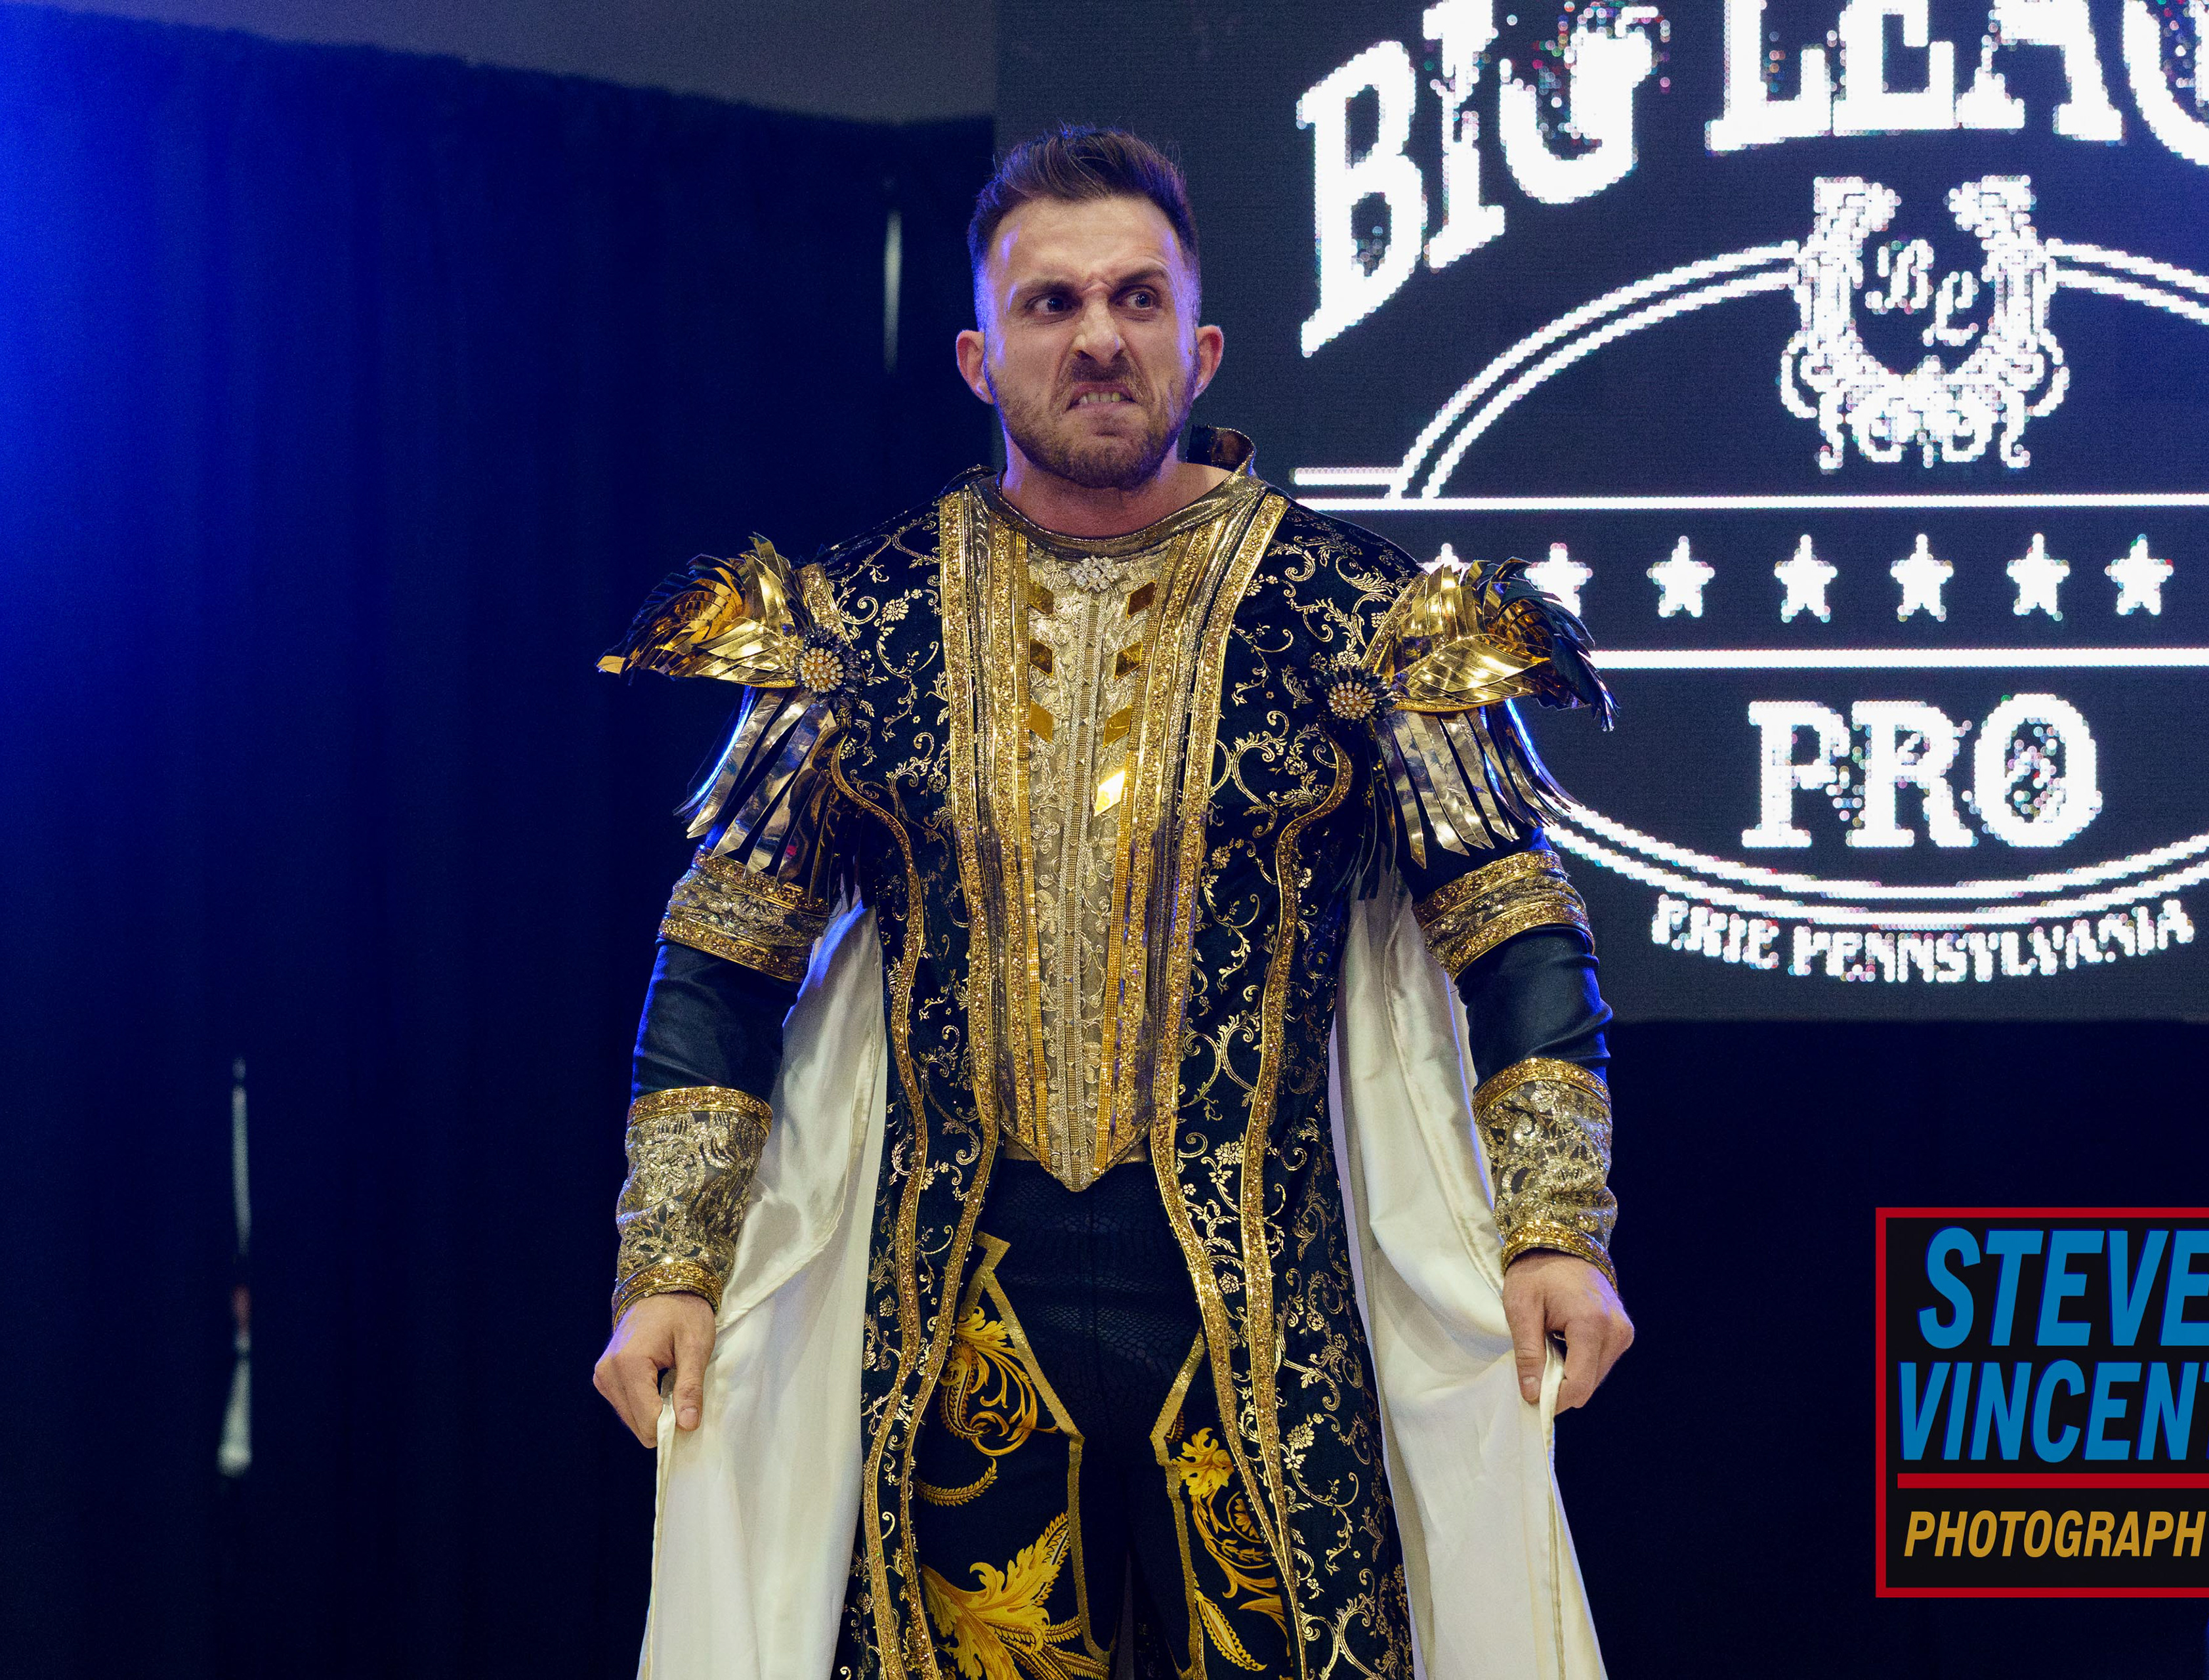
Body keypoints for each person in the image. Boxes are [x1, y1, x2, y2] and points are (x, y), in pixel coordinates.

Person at [591, 126, 1630, 1680]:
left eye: (1138, 299)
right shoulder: (851, 627)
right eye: (1052, 302)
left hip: (1273, 1321)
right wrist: (668, 1268)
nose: (1097, 337)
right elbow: (725, 954)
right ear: (978, 356)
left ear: (1200, 346)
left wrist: (1559, 1228)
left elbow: (1514, 923)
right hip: (955, 1324)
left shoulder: (1363, 618)